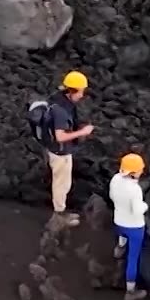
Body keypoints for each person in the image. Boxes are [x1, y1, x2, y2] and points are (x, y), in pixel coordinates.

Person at [41, 71, 95, 224]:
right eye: (81, 92)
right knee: (61, 184)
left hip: (54, 147)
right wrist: (82, 132)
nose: (82, 95)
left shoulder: (59, 97)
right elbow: (60, 136)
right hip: (59, 152)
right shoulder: (61, 111)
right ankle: (59, 216)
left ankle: (60, 211)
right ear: (72, 91)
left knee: (62, 182)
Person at [109, 153, 150, 300]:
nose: (142, 171)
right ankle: (130, 291)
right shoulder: (135, 189)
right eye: (140, 169)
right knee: (133, 258)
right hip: (134, 226)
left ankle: (119, 249)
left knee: (122, 237)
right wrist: (146, 206)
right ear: (133, 172)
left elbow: (112, 197)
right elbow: (138, 210)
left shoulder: (115, 179)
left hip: (118, 220)